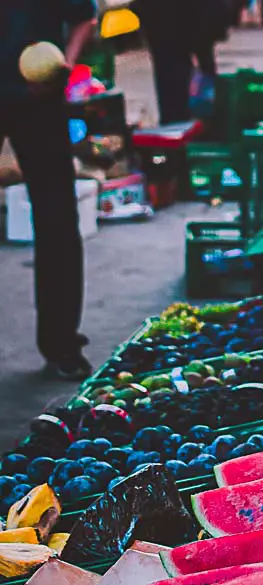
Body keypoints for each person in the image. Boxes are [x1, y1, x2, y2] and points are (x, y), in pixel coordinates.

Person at [0, 0, 97, 380]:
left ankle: (61, 343)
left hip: (38, 94)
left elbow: (84, 17)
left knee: (56, 216)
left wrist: (64, 69)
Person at [132, 0, 230, 124]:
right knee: (188, 65)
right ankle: (191, 117)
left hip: (163, 17)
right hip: (179, 17)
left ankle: (177, 119)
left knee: (169, 67)